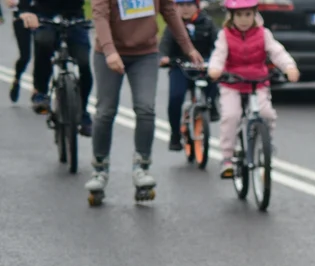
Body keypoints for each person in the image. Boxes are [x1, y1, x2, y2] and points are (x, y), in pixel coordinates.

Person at [85, 0, 203, 201]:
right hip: (109, 52)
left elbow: (168, 10)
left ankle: (142, 167)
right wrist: (109, 50)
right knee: (106, 111)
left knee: (146, 108)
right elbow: (100, 15)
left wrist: (188, 47)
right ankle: (100, 168)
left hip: (145, 54)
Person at [207, 0, 299, 179]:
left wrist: (289, 67)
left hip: (257, 83)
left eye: (248, 15)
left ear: (255, 14)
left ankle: (266, 144)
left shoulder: (263, 34)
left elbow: (277, 52)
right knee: (230, 116)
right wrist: (215, 69)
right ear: (231, 16)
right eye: (239, 15)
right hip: (232, 84)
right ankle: (227, 157)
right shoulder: (225, 36)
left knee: (267, 113)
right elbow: (218, 55)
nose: (244, 20)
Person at [18, 0, 93, 135]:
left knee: (83, 62)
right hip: (44, 15)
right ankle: (41, 92)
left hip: (74, 17)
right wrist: (25, 11)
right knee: (43, 42)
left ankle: (82, 111)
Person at [158, 0, 218, 152]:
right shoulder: (172, 26)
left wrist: (216, 59)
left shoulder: (207, 23)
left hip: (203, 65)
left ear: (196, 6)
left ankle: (212, 106)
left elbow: (218, 45)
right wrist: (163, 58)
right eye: (181, 5)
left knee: (215, 79)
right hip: (180, 66)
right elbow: (163, 47)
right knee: (175, 97)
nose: (185, 9)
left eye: (189, 5)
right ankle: (175, 134)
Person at [7, 0, 33, 103]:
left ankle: (39, 90)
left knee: (45, 53)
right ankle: (17, 79)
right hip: (21, 16)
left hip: (44, 15)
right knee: (25, 56)